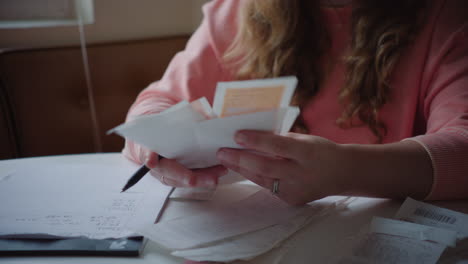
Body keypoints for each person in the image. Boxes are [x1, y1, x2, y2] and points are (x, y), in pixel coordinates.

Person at [123, 0, 468, 205]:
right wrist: (153, 143)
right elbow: (160, 100)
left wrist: (346, 171)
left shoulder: (445, 15)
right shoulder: (239, 11)